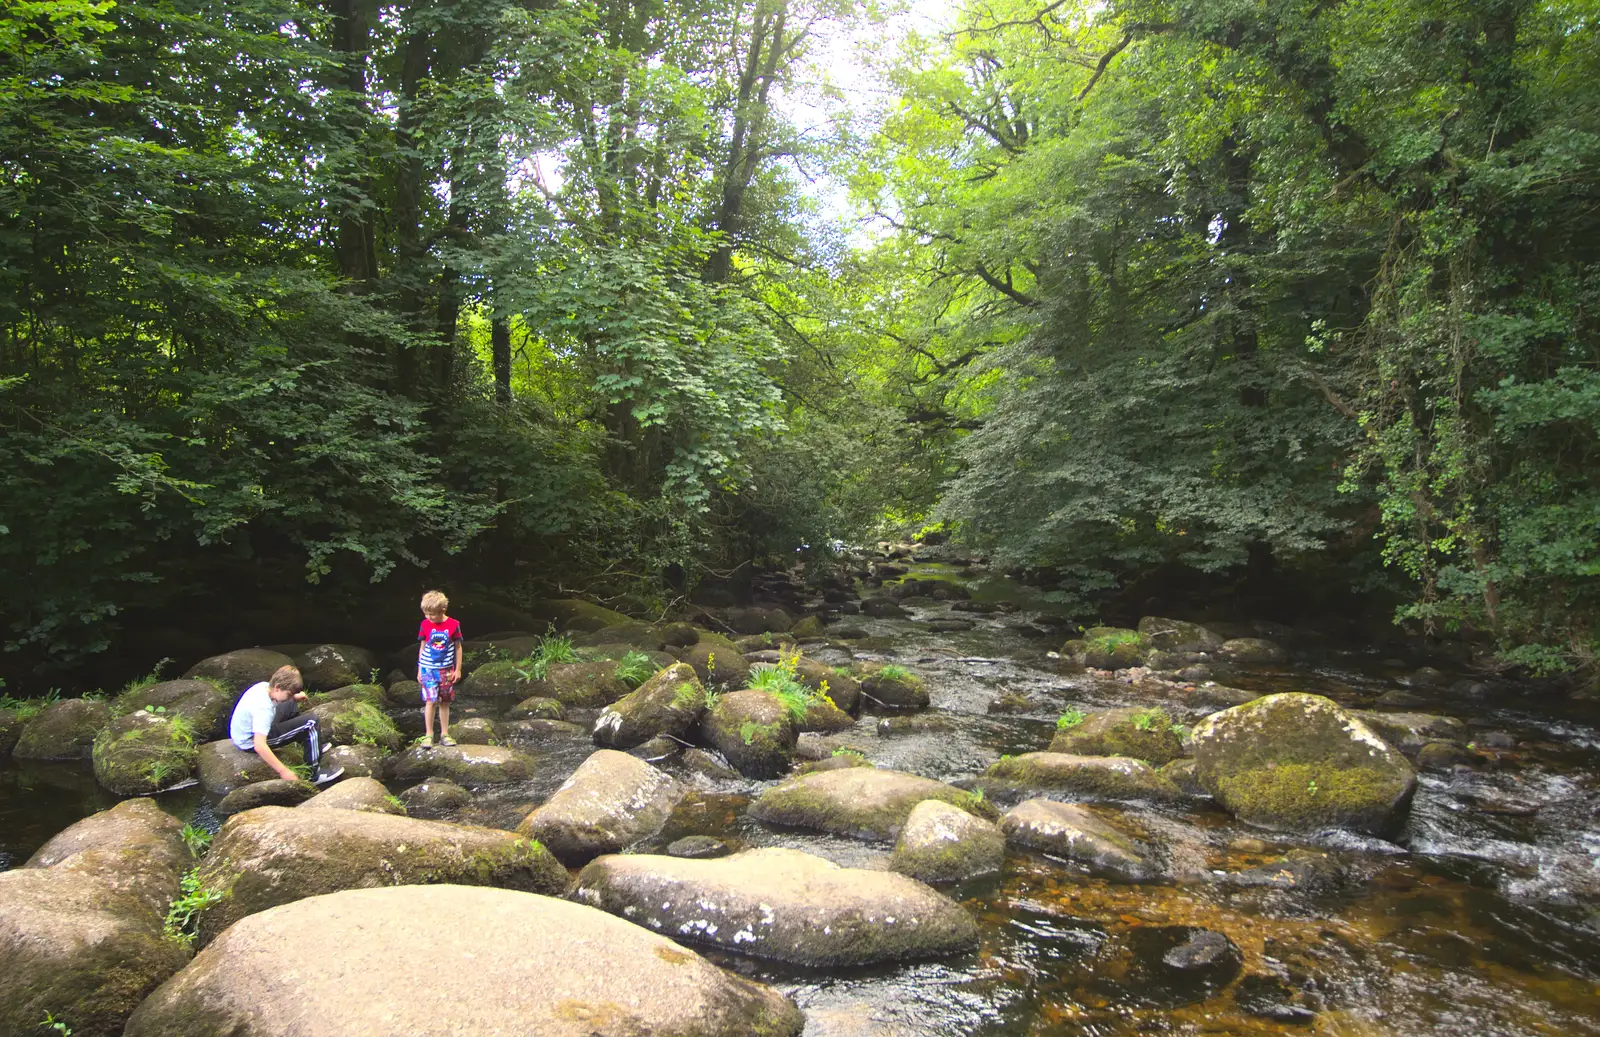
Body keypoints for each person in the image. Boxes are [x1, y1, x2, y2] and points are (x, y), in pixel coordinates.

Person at [228, 664, 341, 783]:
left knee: (290, 704)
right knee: (311, 722)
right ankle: (313, 774)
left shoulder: (263, 686)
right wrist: (283, 771)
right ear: (277, 687)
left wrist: (294, 697)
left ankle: (312, 746)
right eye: (289, 693)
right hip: (249, 740)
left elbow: (280, 699)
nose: (290, 696)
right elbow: (259, 745)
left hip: (243, 731)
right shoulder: (264, 710)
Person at [416, 589, 463, 748]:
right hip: (428, 669)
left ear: (443, 610)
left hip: (446, 670)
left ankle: (445, 734)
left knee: (444, 702)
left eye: (432, 614)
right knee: (430, 701)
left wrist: (458, 669)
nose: (429, 617)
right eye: (426, 614)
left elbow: (458, 648)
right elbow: (422, 646)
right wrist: (419, 669)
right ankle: (428, 735)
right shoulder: (425, 624)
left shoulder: (453, 625)